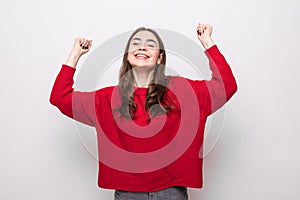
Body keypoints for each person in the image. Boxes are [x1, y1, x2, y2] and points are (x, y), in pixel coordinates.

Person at [50, 24, 237, 200]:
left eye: (150, 44)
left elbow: (226, 86)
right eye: (136, 44)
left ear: (160, 58)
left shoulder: (182, 90)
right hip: (127, 194)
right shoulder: (107, 98)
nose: (142, 48)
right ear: (128, 57)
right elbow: (60, 97)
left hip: (171, 193)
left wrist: (207, 41)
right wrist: (75, 54)